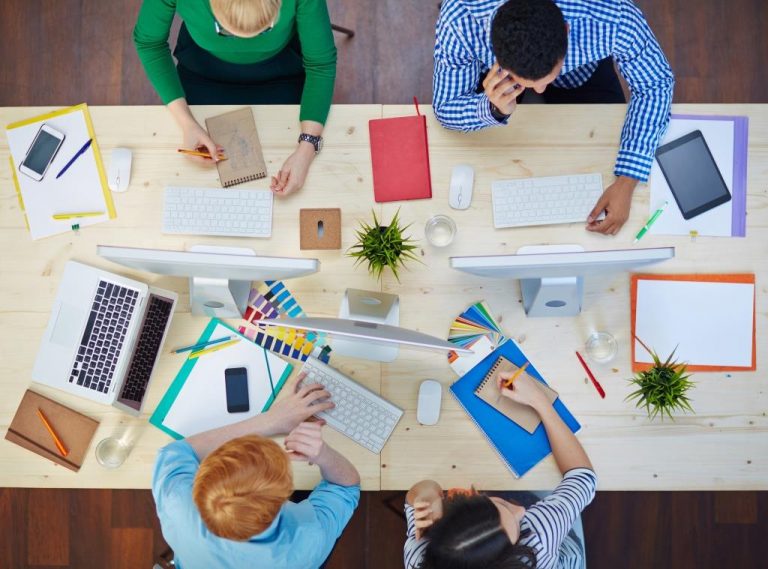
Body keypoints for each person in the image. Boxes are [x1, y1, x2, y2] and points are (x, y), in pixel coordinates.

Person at [433, 0, 675, 235]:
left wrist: (628, 178)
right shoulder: (461, 15)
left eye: (545, 80)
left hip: (583, 75)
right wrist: (491, 109)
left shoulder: (613, 14)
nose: (539, 91)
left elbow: (655, 83)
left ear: (567, 29)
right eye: (528, 84)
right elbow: (446, 107)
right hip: (498, 87)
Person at [152, 373, 360, 569]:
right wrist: (322, 454)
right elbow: (346, 487)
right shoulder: (305, 544)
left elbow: (177, 451)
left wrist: (271, 420)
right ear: (284, 495)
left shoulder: (176, 501)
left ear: (201, 482)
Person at [134, 0, 337, 195]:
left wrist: (307, 148)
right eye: (226, 31)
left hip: (282, 69)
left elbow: (320, 64)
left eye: (265, 29)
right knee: (194, 181)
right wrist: (187, 123)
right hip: (201, 69)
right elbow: (149, 42)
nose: (246, 42)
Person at [404, 372, 596, 569]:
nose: (520, 510)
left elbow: (417, 492)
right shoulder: (538, 535)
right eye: (507, 510)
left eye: (502, 506)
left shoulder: (420, 558)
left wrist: (427, 501)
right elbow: (583, 479)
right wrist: (539, 400)